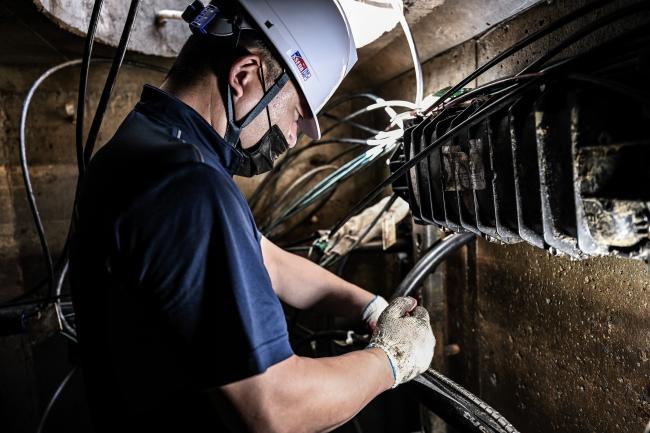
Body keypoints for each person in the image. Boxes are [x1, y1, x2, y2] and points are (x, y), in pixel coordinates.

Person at [69, 1, 435, 432]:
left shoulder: (147, 145)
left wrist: (370, 306)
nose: (294, 137)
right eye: (296, 114)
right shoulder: (189, 184)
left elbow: (268, 260)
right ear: (244, 76)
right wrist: (391, 360)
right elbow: (275, 410)